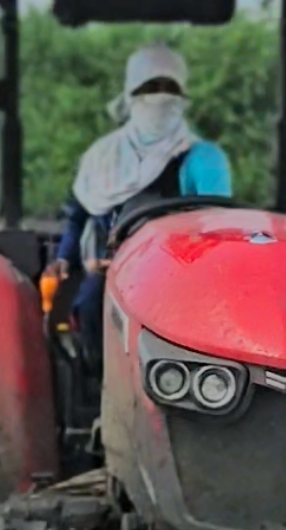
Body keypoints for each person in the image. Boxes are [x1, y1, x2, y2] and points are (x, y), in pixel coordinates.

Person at [43, 45, 232, 366]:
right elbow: (78, 214)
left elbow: (219, 227)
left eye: (169, 89)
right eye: (149, 88)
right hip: (110, 266)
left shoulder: (202, 157)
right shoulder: (102, 157)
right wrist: (64, 256)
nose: (160, 98)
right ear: (131, 95)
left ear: (182, 97)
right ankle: (101, 389)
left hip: (179, 267)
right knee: (91, 303)